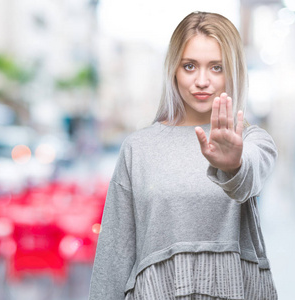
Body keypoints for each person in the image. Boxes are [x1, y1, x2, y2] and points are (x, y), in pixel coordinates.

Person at [89, 11, 278, 300]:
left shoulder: (252, 140)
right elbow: (114, 255)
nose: (202, 80)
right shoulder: (138, 148)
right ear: (174, 70)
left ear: (234, 72)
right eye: (190, 66)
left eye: (217, 67)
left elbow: (248, 178)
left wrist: (233, 165)